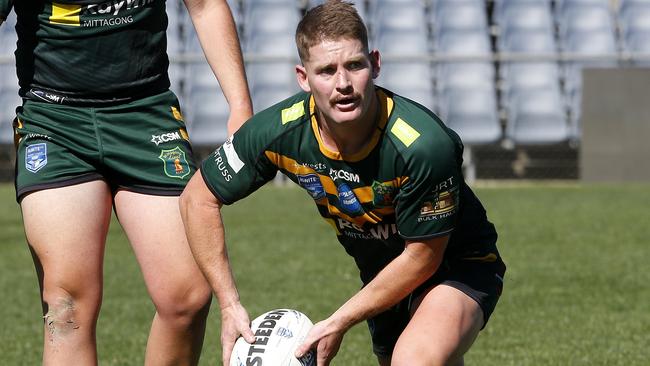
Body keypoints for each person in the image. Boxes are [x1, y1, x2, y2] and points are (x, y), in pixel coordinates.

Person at [180, 1, 506, 365]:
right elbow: (197, 199)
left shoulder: (423, 146)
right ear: (303, 78)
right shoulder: (278, 132)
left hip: (456, 263)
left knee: (414, 359)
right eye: (326, 70)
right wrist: (229, 304)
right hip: (381, 276)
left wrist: (339, 321)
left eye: (355, 65)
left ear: (375, 64)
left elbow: (423, 258)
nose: (343, 84)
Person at [1, 0, 252, 364]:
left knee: (188, 297)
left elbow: (205, 6)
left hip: (146, 114)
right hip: (54, 120)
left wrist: (241, 106)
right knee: (66, 306)